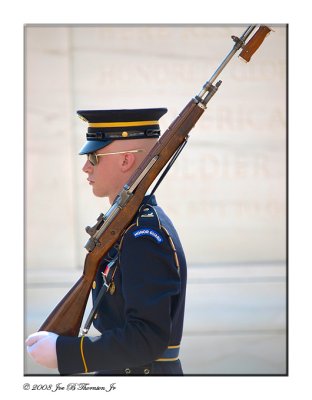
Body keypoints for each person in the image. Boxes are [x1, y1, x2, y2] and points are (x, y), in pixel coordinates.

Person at [26, 108, 187, 375]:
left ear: (125, 161)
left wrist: (66, 352)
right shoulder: (127, 226)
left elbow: (146, 339)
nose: (85, 167)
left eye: (94, 157)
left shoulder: (143, 236)